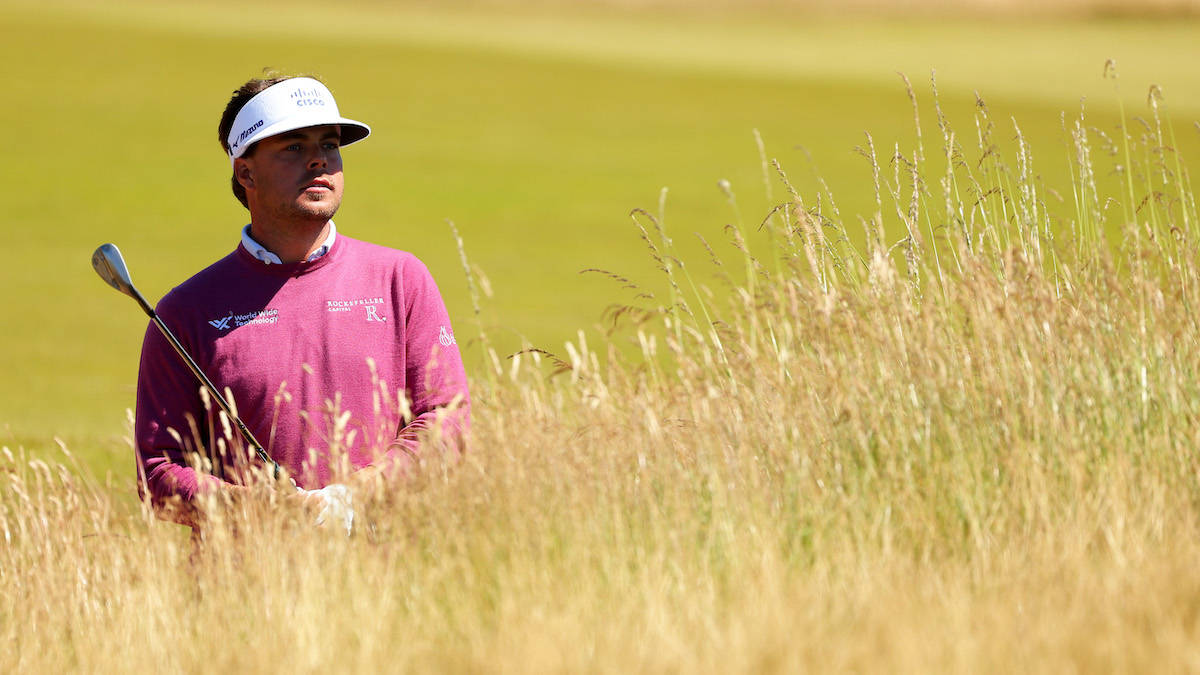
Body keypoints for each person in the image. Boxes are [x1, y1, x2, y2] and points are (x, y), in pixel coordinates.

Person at [134, 75, 470, 533]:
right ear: (245, 172)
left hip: (386, 583)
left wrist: (359, 494)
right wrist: (258, 510)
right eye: (293, 147)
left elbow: (446, 421)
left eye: (329, 145)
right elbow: (157, 474)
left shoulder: (400, 278)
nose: (319, 159)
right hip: (245, 589)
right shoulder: (185, 312)